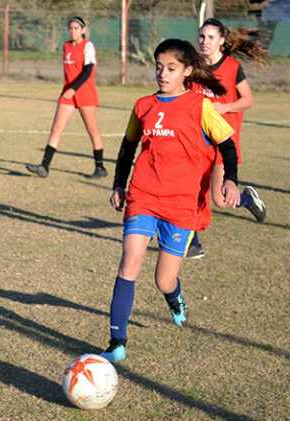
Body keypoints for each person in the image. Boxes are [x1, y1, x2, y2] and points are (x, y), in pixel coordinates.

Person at [99, 39, 240, 363]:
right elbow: (127, 148)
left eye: (171, 68)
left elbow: (227, 145)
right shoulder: (142, 105)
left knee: (164, 279)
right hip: (143, 196)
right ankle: (116, 342)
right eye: (159, 67)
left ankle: (175, 299)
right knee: (129, 262)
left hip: (181, 205)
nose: (163, 74)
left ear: (188, 71)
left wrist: (230, 180)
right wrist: (119, 185)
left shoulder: (199, 105)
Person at [186, 18, 268, 259]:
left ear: (221, 40)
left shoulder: (232, 67)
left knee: (220, 200)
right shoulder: (194, 67)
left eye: (210, 37)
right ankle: (193, 243)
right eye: (201, 37)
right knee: (192, 191)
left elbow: (248, 100)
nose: (204, 41)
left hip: (223, 145)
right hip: (198, 143)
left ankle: (247, 200)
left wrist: (225, 107)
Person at [26, 16, 107, 179]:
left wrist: (74, 89)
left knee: (92, 130)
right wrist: (69, 90)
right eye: (70, 28)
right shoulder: (66, 46)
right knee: (56, 128)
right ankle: (44, 166)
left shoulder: (88, 46)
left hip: (84, 92)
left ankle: (100, 168)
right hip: (68, 93)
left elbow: (88, 71)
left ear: (83, 30)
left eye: (77, 28)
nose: (73, 31)